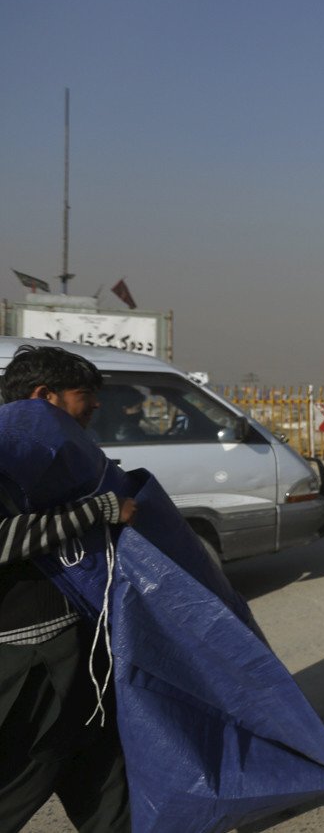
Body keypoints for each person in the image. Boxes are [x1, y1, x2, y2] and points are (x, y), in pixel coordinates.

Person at [1, 345, 134, 831]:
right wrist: (99, 509)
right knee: (18, 777)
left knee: (104, 782)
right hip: (31, 662)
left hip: (79, 651)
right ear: (44, 396)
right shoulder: (8, 452)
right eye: (84, 394)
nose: (95, 405)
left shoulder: (54, 454)